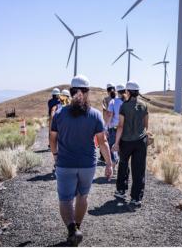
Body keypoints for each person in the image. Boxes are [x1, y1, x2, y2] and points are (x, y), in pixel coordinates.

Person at [50, 75, 113, 246]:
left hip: (65, 164)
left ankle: (72, 230)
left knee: (65, 199)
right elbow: (102, 141)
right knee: (82, 197)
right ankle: (76, 227)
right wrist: (109, 163)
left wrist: (55, 156)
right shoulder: (95, 115)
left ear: (70, 92)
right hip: (87, 165)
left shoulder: (59, 114)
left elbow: (52, 138)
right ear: (87, 93)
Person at [112, 81, 149, 207]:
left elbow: (121, 126)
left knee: (123, 165)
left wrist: (116, 142)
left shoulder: (124, 106)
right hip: (140, 141)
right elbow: (146, 125)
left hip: (126, 141)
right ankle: (136, 198)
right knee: (139, 170)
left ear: (128, 92)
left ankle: (121, 190)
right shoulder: (144, 105)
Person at [104, 84, 126, 173]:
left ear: (117, 91)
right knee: (123, 149)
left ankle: (113, 167)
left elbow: (110, 115)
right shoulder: (127, 102)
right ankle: (122, 169)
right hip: (125, 129)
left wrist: (105, 127)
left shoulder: (113, 102)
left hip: (114, 129)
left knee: (113, 147)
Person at [99, 83, 115, 162]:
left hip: (108, 122)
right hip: (117, 123)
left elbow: (104, 111)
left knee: (106, 140)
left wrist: (105, 124)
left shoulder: (105, 99)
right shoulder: (118, 98)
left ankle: (104, 157)